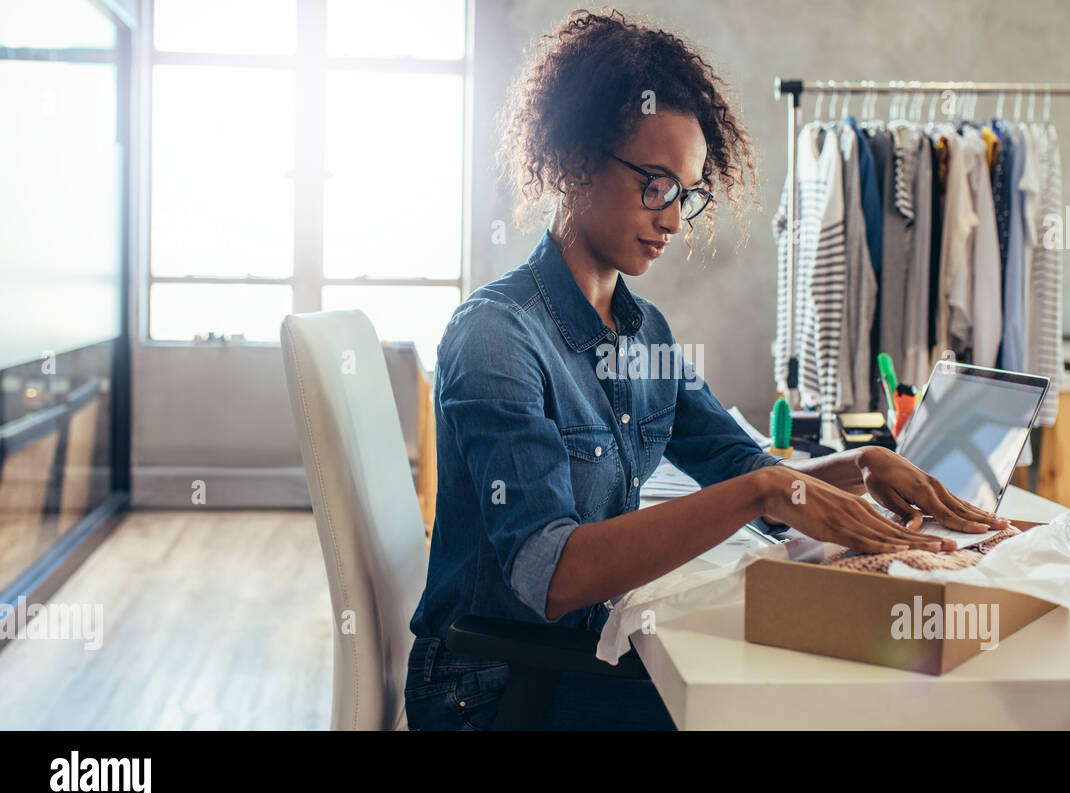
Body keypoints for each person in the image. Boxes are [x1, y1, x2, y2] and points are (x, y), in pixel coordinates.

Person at [405, 8, 1008, 731]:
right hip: (495, 687)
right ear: (572, 162)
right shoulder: (496, 338)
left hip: (582, 650)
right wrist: (765, 488)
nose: (670, 218)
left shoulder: (646, 334)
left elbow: (741, 466)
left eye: (685, 194)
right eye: (654, 183)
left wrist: (864, 463)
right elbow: (551, 574)